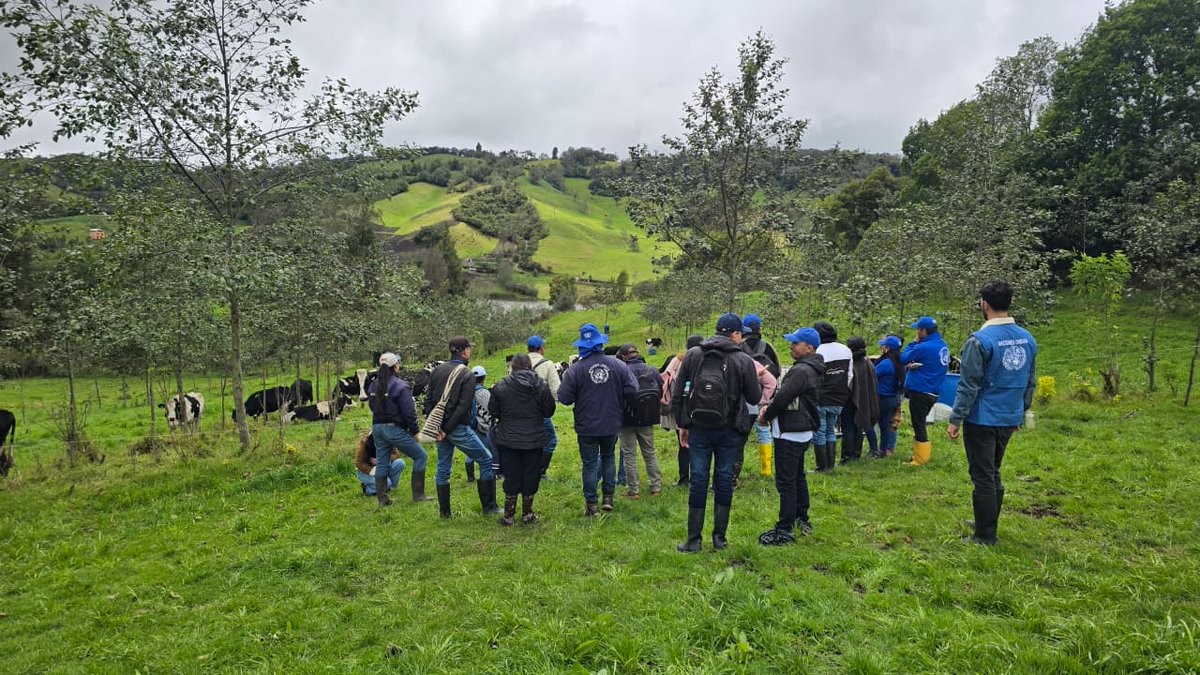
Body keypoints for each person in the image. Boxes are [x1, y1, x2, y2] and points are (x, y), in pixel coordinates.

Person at [948, 280, 1037, 545]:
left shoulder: (980, 341)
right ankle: (986, 519)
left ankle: (986, 535)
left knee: (982, 475)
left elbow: (968, 385)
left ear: (984, 305)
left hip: (982, 418)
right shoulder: (1027, 338)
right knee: (993, 469)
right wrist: (1021, 412)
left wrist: (956, 419)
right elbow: (1030, 380)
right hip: (1009, 416)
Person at [670, 312, 762, 553]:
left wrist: (682, 424)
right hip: (730, 430)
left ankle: (693, 541)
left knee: (698, 479)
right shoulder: (743, 360)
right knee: (723, 480)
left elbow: (678, 393)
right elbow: (754, 396)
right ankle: (719, 540)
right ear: (735, 334)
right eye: (741, 333)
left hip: (699, 428)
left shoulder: (693, 354)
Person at [558, 323, 637, 516]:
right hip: (611, 421)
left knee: (590, 464)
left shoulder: (575, 370)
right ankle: (608, 498)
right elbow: (633, 390)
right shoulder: (618, 365)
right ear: (600, 342)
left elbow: (564, 398)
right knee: (609, 457)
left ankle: (591, 505)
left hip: (587, 425)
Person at [756, 327, 823, 545]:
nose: (791, 346)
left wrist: (767, 415)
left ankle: (785, 529)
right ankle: (801, 518)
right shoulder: (811, 367)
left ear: (809, 347)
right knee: (797, 477)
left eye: (796, 343)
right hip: (802, 429)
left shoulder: (801, 371)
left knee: (786, 482)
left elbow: (783, 397)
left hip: (791, 432)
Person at [425, 337, 500, 517]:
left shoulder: (436, 371)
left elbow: (428, 401)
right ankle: (489, 508)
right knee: (486, 460)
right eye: (469, 349)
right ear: (464, 351)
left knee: (443, 467)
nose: (470, 352)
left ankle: (445, 513)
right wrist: (447, 429)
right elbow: (463, 407)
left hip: (439, 429)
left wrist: (436, 427)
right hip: (456, 428)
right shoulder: (466, 374)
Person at [489, 353, 557, 525]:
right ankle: (527, 514)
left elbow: (493, 410)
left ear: (512, 366)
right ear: (529, 366)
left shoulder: (500, 386)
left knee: (511, 474)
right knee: (531, 473)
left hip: (508, 438)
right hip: (534, 438)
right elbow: (549, 410)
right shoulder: (541, 385)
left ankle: (509, 515)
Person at [367, 352, 431, 505]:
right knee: (421, 456)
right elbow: (409, 413)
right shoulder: (401, 386)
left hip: (377, 428)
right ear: (395, 366)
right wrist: (415, 432)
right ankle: (419, 495)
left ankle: (383, 500)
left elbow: (371, 406)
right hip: (394, 429)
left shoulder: (373, 385)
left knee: (382, 463)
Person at [616, 343, 664, 499]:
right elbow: (660, 391)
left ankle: (634, 490)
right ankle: (656, 488)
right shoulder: (652, 370)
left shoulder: (620, 371)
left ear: (623, 357)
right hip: (647, 417)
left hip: (626, 419)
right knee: (649, 453)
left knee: (629, 455)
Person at [902, 316, 950, 466]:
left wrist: (912, 343)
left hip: (921, 390)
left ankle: (920, 459)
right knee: (920, 422)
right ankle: (918, 455)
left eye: (918, 330)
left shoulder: (923, 346)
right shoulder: (942, 345)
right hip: (934, 390)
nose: (917, 333)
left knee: (918, 424)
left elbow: (904, 358)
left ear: (923, 331)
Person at [660, 334, 703, 487]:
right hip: (701, 408)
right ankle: (698, 478)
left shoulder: (678, 360)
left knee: (683, 445)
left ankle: (684, 478)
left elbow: (667, 381)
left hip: (682, 409)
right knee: (700, 446)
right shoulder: (708, 360)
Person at [741, 313, 781, 477]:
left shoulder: (738, 347)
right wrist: (765, 396)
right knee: (764, 431)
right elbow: (777, 371)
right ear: (759, 328)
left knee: (740, 434)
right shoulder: (768, 347)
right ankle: (766, 469)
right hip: (764, 396)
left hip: (743, 399)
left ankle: (735, 468)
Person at [812, 321, 852, 473]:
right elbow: (850, 375)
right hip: (840, 397)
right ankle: (830, 465)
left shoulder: (818, 351)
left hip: (821, 397)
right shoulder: (846, 350)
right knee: (831, 429)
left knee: (819, 431)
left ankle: (822, 466)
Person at [526, 335, 561, 478]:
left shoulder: (518, 362)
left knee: (528, 440)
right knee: (551, 440)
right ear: (541, 349)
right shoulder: (547, 364)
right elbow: (556, 389)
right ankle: (540, 471)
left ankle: (527, 469)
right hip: (541, 411)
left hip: (521, 411)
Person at [840, 337, 879, 463]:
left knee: (848, 428)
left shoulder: (850, 363)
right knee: (859, 426)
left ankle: (847, 456)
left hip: (850, 400)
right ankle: (856, 453)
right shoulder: (867, 362)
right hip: (864, 400)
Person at [874, 335, 906, 458]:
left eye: (884, 345)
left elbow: (872, 376)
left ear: (887, 348)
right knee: (887, 426)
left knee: (878, 425)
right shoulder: (900, 362)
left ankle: (877, 450)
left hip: (882, 398)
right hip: (893, 398)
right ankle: (884, 450)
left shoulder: (886, 363)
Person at [465, 365, 498, 482]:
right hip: (483, 426)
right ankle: (494, 473)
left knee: (471, 450)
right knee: (490, 450)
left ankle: (470, 477)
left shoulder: (467, 392)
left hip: (470, 425)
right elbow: (492, 408)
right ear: (483, 378)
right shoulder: (483, 392)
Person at [355, 433, 406, 498]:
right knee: (386, 484)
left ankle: (390, 487)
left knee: (400, 463)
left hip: (381, 467)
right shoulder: (366, 442)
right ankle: (367, 489)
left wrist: (380, 460)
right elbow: (359, 463)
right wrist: (373, 470)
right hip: (366, 471)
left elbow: (395, 455)